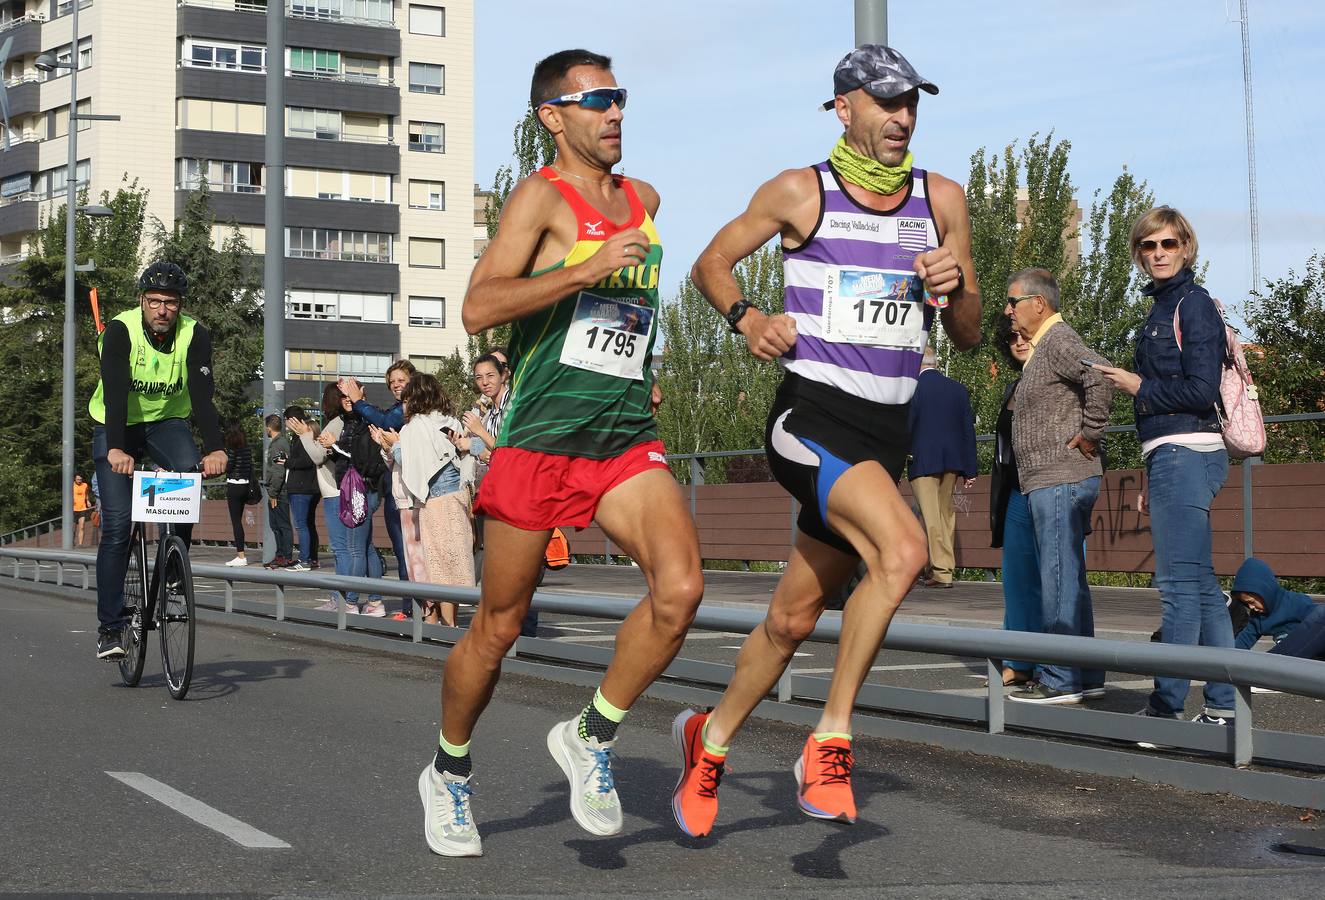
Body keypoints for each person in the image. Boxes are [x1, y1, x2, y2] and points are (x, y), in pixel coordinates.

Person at [677, 44, 981, 837]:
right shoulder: (799, 191)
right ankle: (830, 741)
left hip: (884, 440)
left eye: (911, 102)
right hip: (808, 419)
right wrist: (747, 318)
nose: (902, 117)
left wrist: (955, 289)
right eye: (885, 102)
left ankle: (708, 742)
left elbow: (969, 332)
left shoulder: (941, 198)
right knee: (903, 553)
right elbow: (710, 263)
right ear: (843, 108)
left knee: (791, 620)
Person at [418, 48, 704, 858]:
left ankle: (591, 732)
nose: (615, 113)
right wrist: (582, 270)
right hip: (540, 442)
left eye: (620, 98)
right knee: (498, 626)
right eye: (597, 100)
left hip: (621, 437)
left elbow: (624, 318)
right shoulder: (540, 197)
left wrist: (640, 367)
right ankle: (449, 771)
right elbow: (479, 307)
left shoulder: (644, 201)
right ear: (553, 116)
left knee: (681, 590)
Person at [1095, 207, 1238, 727]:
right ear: (1138, 253)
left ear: (1186, 248)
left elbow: (1201, 390)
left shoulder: (1192, 305)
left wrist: (1138, 386)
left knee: (1178, 588)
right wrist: (1154, 467)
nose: (1158, 253)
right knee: (1201, 586)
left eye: (1168, 244)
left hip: (1187, 450)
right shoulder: (1164, 305)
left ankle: (1166, 707)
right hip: (1174, 454)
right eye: (1148, 245)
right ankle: (1223, 707)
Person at [88, 261, 228, 659]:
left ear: (180, 305)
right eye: (154, 301)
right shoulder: (121, 330)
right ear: (142, 301)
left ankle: (173, 567)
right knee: (118, 525)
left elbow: (201, 395)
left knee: (188, 471)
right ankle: (110, 628)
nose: (162, 309)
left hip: (166, 422)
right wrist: (117, 448)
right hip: (116, 425)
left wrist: (215, 448)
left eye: (170, 302)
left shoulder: (194, 334)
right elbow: (116, 392)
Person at [999, 268, 1112, 705]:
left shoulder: (1057, 339)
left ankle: (1061, 678)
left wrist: (1091, 431)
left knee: (1058, 577)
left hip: (1060, 477)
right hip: (1055, 479)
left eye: (1013, 302)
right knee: (1069, 577)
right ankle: (1086, 673)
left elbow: (1099, 374)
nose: (1008, 311)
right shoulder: (1044, 346)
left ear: (1038, 304)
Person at [374, 373, 473, 627]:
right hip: (457, 494)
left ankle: (447, 627)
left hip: (435, 499)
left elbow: (409, 462)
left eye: (406, 399)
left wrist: (394, 445)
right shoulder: (450, 419)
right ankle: (450, 623)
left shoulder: (415, 426)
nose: (404, 405)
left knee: (439, 566)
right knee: (455, 563)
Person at [340, 359, 416, 615]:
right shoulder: (397, 408)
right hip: (394, 488)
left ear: (413, 381)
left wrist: (358, 401)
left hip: (411, 492)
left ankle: (416, 609)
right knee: (401, 551)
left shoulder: (409, 408)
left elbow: (384, 420)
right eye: (392, 382)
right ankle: (409, 608)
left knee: (411, 552)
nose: (396, 385)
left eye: (401, 380)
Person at [989, 319, 1040, 687]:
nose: (1018, 342)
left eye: (1025, 335)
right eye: (1012, 337)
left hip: (1051, 488)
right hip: (1016, 492)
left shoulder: (1057, 377)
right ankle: (1019, 660)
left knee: (1055, 581)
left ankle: (1062, 664)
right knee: (1017, 580)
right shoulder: (1015, 385)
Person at [907, 345, 977, 589]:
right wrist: (970, 469)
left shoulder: (913, 389)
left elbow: (907, 426)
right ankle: (940, 567)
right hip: (952, 461)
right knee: (946, 514)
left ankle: (941, 571)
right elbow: (968, 431)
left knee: (930, 516)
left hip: (922, 459)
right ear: (935, 362)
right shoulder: (958, 389)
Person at [320, 383, 389, 616]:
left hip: (363, 489)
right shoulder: (350, 421)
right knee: (366, 547)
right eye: (343, 396)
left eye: (350, 394)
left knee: (354, 548)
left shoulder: (366, 420)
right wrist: (333, 449)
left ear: (361, 393)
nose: (347, 399)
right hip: (356, 488)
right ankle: (375, 602)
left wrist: (334, 446)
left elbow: (362, 458)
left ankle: (350, 602)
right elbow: (349, 458)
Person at [288, 399, 342, 587]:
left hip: (307, 488)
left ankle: (305, 559)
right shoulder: (312, 435)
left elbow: (312, 459)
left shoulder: (307, 438)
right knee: (308, 525)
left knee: (303, 525)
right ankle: (311, 558)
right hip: (316, 487)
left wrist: (288, 462)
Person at [1231, 557, 1325, 661]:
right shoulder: (1257, 618)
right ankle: (1269, 663)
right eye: (1246, 604)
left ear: (1265, 592)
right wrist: (1231, 657)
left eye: (1252, 602)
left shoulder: (1294, 602)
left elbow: (1317, 624)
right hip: (1289, 659)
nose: (1251, 607)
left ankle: (1268, 663)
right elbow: (1243, 640)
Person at [262, 413, 294, 568]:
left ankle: (285, 556)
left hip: (279, 492)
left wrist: (273, 492)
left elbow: (278, 471)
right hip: (278, 490)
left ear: (269, 428)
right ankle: (280, 555)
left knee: (281, 525)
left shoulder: (277, 445)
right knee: (276, 525)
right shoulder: (282, 442)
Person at [222, 422, 254, 567]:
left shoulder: (231, 449)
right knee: (238, 522)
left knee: (236, 522)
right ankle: (241, 555)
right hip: (245, 485)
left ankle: (241, 556)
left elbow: (229, 467)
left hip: (234, 486)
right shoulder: (247, 448)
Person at [72, 474, 95, 547]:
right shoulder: (71, 485)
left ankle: (80, 544)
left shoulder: (85, 485)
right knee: (73, 529)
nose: (79, 481)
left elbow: (86, 493)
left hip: (82, 508)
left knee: (81, 527)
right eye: (78, 479)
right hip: (73, 510)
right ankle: (71, 542)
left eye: (80, 479)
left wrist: (87, 501)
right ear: (75, 479)